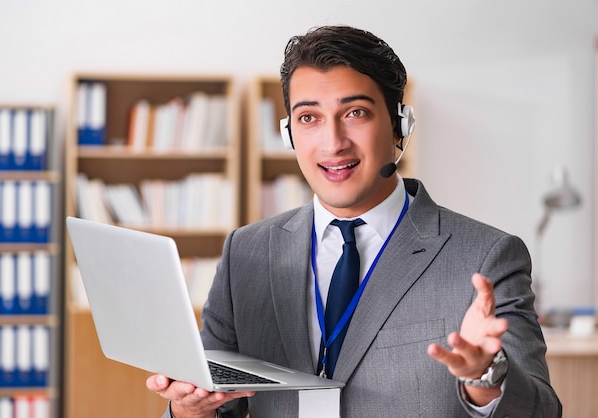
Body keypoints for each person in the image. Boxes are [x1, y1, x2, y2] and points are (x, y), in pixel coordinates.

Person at [147, 25, 562, 417]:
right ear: (290, 132)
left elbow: (543, 411)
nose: (333, 142)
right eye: (309, 117)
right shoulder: (246, 252)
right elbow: (218, 402)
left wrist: (485, 379)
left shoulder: (486, 256)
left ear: (400, 127)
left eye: (356, 113)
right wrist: (189, 409)